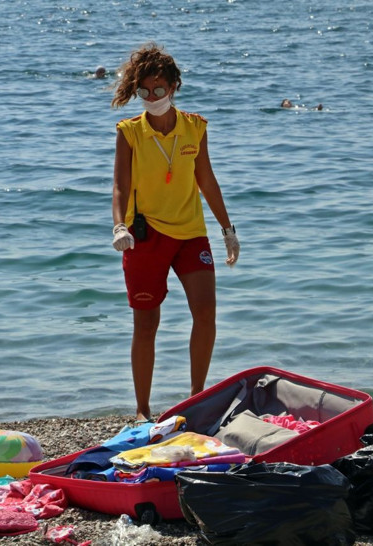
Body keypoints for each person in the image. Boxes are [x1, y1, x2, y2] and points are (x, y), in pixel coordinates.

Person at [110, 44, 240, 423]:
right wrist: (119, 225)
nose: (152, 98)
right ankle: (142, 410)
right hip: (144, 236)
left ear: (174, 87)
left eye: (159, 90)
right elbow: (120, 186)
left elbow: (206, 179)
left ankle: (196, 397)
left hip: (190, 235)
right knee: (146, 322)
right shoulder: (129, 132)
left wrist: (227, 230)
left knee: (206, 311)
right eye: (145, 92)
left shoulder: (195, 127)